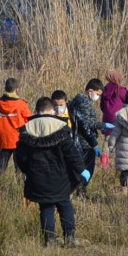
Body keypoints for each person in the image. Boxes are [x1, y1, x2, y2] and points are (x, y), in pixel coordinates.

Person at [16, 96, 87, 244]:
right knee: (64, 203)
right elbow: (71, 154)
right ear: (52, 110)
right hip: (60, 177)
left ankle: (49, 239)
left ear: (37, 110)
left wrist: (28, 171)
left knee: (45, 206)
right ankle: (69, 237)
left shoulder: (27, 129)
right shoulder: (60, 127)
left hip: (38, 177)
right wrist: (82, 170)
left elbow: (20, 158)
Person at [69, 79, 107, 183]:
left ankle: (80, 189)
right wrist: (103, 125)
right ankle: (81, 190)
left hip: (82, 140)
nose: (97, 97)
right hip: (85, 142)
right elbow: (86, 123)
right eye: (97, 94)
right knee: (87, 169)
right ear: (90, 91)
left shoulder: (79, 100)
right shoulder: (84, 102)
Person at [0, 77, 32, 176]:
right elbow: (29, 119)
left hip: (4, 139)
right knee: (19, 166)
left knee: (1, 164)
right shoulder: (21, 104)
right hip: (18, 139)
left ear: (5, 88)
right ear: (16, 89)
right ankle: (20, 187)